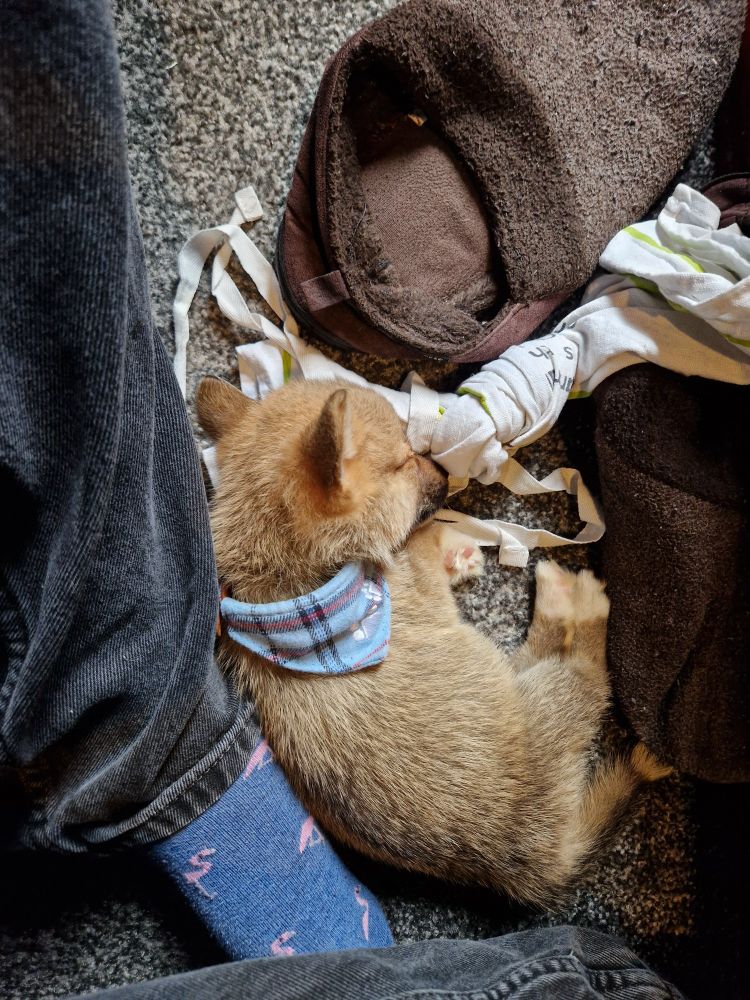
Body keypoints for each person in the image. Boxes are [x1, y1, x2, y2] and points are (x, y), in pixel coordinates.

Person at [0, 1, 682, 996]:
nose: (425, 463)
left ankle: (141, 723)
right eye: (404, 465)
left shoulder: (268, 577)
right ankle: (140, 741)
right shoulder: (334, 548)